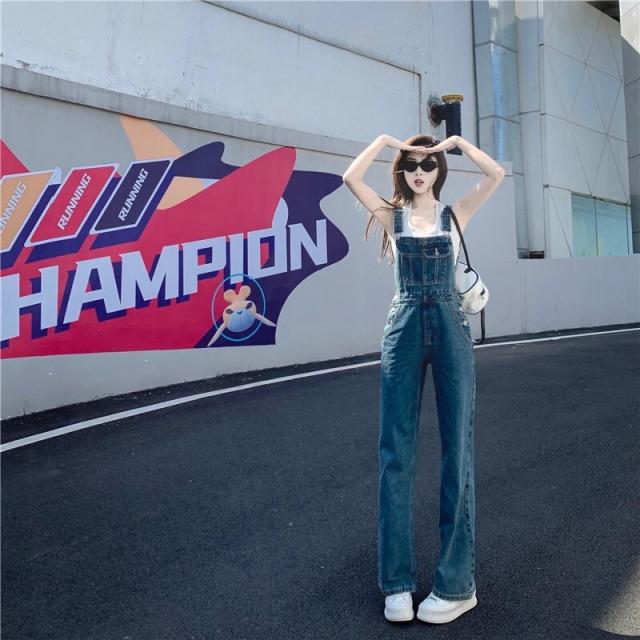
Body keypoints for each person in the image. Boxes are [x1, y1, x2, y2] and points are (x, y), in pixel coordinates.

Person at [342, 134, 504, 624]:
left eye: (428, 164)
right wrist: (384, 141)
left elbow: (495, 174)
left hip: (452, 328)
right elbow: (350, 177)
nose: (419, 172)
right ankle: (396, 584)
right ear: (402, 170)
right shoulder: (390, 216)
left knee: (458, 452)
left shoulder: (454, 215)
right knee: (395, 453)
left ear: (438, 170)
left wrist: (457, 142)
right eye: (410, 164)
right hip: (404, 328)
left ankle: (457, 586)